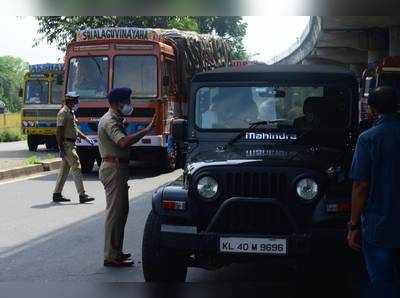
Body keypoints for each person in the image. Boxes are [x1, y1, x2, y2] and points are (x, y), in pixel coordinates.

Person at [348, 86, 400, 297]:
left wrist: (353, 225)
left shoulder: (368, 139)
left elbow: (360, 186)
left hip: (380, 226)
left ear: (371, 109)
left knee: (381, 281)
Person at [98, 87, 156, 267]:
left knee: (121, 212)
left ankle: (116, 251)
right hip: (113, 168)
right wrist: (145, 131)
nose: (129, 105)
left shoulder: (115, 118)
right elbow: (122, 142)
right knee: (115, 213)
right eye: (127, 101)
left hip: (118, 167)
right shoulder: (110, 121)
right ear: (117, 103)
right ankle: (110, 255)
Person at [53, 92, 95, 203]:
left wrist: (86, 138)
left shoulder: (71, 113)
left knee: (64, 170)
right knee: (76, 166)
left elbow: (75, 129)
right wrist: (61, 149)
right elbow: (59, 132)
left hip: (71, 144)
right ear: (71, 102)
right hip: (67, 145)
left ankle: (57, 194)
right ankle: (82, 195)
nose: (78, 103)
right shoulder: (63, 113)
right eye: (76, 101)